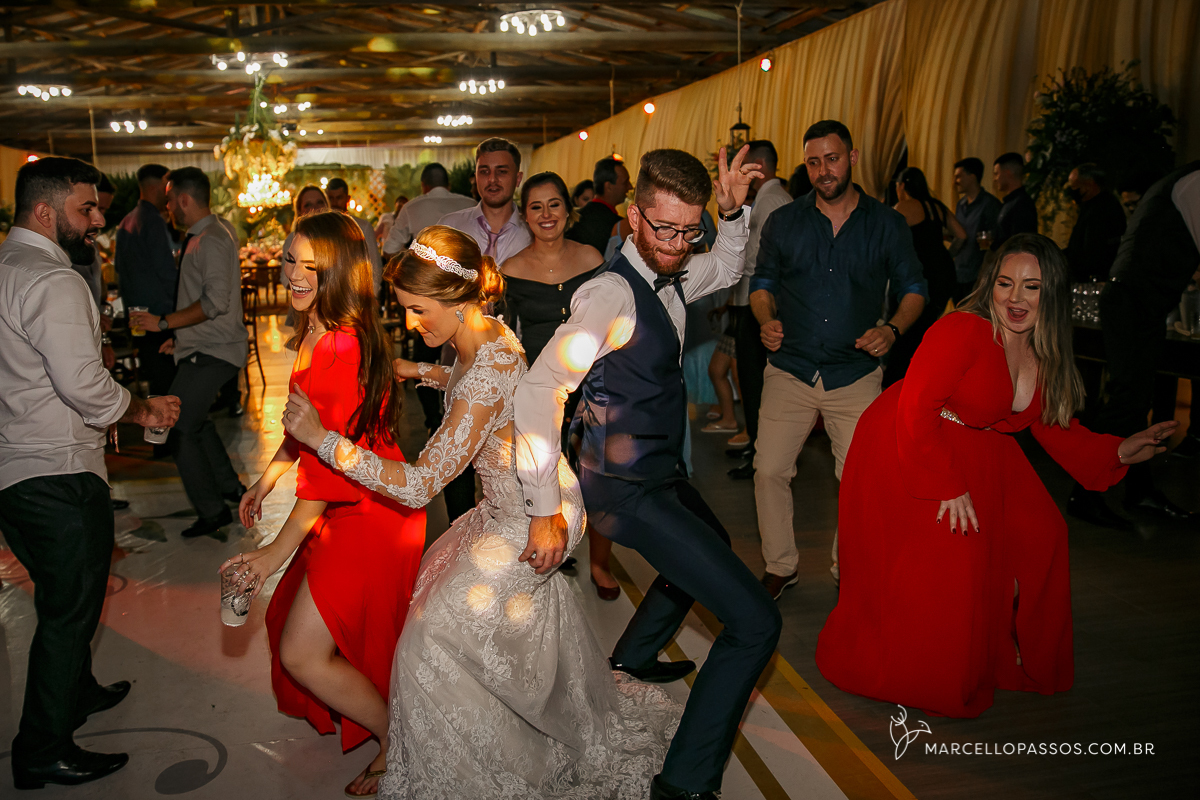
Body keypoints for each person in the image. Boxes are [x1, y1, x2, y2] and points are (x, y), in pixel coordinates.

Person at [272, 225, 680, 798]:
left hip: (535, 514)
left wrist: (324, 440)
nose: (411, 322)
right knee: (441, 604)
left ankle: (481, 766)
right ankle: (504, 723)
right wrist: (419, 370)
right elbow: (478, 387)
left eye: (419, 310)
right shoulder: (487, 332)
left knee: (429, 637)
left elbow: (420, 485)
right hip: (510, 501)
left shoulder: (485, 369)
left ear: (457, 299)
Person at [815, 234, 1175, 718]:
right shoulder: (962, 329)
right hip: (911, 441)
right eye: (1005, 283)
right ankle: (928, 666)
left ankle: (1007, 646)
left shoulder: (1043, 349)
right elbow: (916, 407)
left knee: (1044, 532)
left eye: (1031, 286)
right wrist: (946, 485)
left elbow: (1052, 424)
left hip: (982, 445)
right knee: (956, 553)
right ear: (990, 285)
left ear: (1052, 293)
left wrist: (1121, 449)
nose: (1015, 298)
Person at [516, 147, 777, 800]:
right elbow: (538, 390)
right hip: (623, 487)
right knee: (756, 624)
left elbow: (727, 264)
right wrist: (545, 507)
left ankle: (631, 659)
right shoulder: (609, 295)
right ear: (633, 217)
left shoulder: (677, 268)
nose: (677, 245)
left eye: (689, 231)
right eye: (664, 229)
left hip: (660, 474)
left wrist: (731, 216)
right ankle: (684, 785)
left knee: (711, 541)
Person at [219, 212, 426, 798]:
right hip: (352, 501)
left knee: (301, 652)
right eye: (290, 259)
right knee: (301, 629)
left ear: (339, 273)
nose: (294, 274)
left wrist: (272, 555)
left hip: (368, 510)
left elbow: (330, 470)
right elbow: (305, 431)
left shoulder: (336, 346)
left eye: (311, 266)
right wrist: (265, 481)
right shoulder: (319, 331)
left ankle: (395, 741)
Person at [0, 156, 181, 789]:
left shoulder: (6, 266)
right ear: (43, 211)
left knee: (62, 595)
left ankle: (77, 692)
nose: (98, 219)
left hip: (13, 464)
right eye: (86, 209)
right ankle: (42, 748)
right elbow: (81, 384)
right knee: (70, 609)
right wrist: (141, 408)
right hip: (56, 469)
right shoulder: (52, 279)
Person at [750, 120, 928, 597]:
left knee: (859, 480)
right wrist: (766, 318)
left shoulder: (886, 224)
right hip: (790, 367)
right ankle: (781, 566)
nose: (823, 171)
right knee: (769, 470)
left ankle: (847, 565)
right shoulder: (785, 221)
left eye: (832, 159)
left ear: (852, 157)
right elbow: (762, 284)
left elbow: (915, 289)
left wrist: (892, 329)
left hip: (855, 373)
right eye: (813, 162)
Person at [501, 172, 619, 599]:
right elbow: (503, 335)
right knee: (548, 471)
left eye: (554, 204)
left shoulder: (591, 257)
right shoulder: (511, 269)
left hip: (595, 384)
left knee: (599, 474)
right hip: (541, 390)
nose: (546, 214)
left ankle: (601, 564)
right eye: (536, 206)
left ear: (568, 210)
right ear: (524, 215)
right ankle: (556, 538)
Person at [1068, 161, 1200, 529]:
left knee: (1135, 402)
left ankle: (1138, 490)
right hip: (1132, 300)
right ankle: (1085, 493)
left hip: (1140, 301)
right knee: (1127, 401)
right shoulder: (1195, 182)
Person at [130, 168, 247, 538]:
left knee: (178, 428)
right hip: (203, 346)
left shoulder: (211, 239)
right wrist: (180, 337)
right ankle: (229, 488)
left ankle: (213, 512)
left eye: (169, 200)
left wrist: (164, 323)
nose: (167, 208)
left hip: (214, 350)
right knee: (196, 421)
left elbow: (214, 303)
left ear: (183, 199)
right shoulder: (211, 233)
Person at [437, 138, 532, 523]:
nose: (492, 180)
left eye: (502, 171)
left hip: (516, 363)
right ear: (475, 176)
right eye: (484, 171)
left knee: (516, 459)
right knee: (454, 459)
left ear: (518, 178)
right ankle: (459, 535)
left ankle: (519, 533)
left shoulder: (534, 229)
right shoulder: (450, 229)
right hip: (458, 359)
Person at [728, 140, 793, 480]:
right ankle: (757, 447)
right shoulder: (771, 199)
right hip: (753, 298)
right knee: (752, 380)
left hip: (758, 301)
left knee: (755, 382)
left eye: (746, 166)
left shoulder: (772, 201)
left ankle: (760, 451)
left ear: (760, 166)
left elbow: (758, 257)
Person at [884, 166, 967, 386]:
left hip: (920, 277)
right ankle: (921, 376)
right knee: (924, 329)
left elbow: (886, 237)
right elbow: (961, 235)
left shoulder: (904, 206)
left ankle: (898, 382)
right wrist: (947, 255)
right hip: (944, 274)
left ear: (902, 186)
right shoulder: (936, 207)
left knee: (906, 331)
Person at [115, 163, 179, 400]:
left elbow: (119, 270)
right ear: (159, 185)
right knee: (166, 384)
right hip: (158, 318)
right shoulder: (152, 220)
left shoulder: (127, 220)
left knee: (154, 378)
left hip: (136, 316)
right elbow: (166, 272)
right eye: (168, 186)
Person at [381, 162, 475, 259]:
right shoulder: (471, 205)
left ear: (423, 186)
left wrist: (411, 261)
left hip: (424, 267)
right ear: (449, 185)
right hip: (468, 267)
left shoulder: (411, 207)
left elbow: (389, 251)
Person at [1064, 162, 1127, 283]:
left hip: (1094, 278)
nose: (1072, 191)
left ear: (1089, 183)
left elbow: (1094, 250)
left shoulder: (1105, 208)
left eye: (1075, 186)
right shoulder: (1090, 206)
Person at [951, 156, 1002, 302]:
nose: (955, 181)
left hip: (978, 276)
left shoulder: (990, 204)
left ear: (972, 176)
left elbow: (996, 242)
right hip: (959, 274)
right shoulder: (960, 205)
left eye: (958, 176)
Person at [325, 177, 383, 290]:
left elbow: (374, 265)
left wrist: (372, 294)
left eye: (339, 198)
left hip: (356, 291)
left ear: (347, 199)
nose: (334, 203)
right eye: (331, 198)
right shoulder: (320, 227)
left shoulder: (363, 227)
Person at [566, 156, 632, 253]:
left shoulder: (574, 218)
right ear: (609, 186)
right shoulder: (619, 226)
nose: (630, 187)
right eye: (625, 182)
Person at [991, 152, 1038, 247]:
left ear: (1007, 173)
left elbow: (1021, 243)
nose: (995, 179)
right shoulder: (1009, 203)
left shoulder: (1022, 204)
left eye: (996, 174)